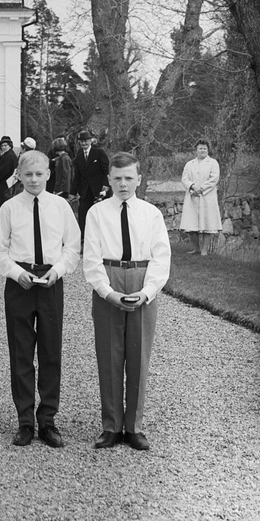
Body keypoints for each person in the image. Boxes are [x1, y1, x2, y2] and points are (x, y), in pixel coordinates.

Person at [83, 152, 171, 450]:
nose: (123, 184)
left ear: (139, 180)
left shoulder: (151, 214)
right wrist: (108, 292)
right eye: (117, 178)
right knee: (109, 355)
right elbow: (91, 259)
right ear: (109, 179)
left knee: (138, 355)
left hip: (141, 278)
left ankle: (133, 427)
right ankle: (111, 426)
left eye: (129, 178)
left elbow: (161, 258)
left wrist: (147, 292)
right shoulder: (97, 213)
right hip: (109, 281)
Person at [0, 149, 80, 448]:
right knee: (20, 353)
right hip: (20, 281)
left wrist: (58, 271)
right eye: (27, 174)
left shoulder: (60, 207)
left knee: (50, 351)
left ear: (48, 174)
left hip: (50, 282)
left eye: (39, 174)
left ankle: (48, 420)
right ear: (19, 175)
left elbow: (72, 246)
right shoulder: (8, 208)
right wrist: (14, 272)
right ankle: (25, 421)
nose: (33, 179)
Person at [179, 139, 221, 256]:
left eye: (204, 148)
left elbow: (214, 179)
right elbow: (184, 179)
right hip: (192, 196)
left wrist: (201, 189)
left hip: (207, 196)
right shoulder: (189, 164)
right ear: (196, 150)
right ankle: (196, 248)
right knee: (191, 224)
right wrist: (192, 187)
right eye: (200, 148)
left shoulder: (213, 163)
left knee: (207, 223)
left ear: (208, 150)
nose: (202, 150)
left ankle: (204, 250)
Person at [72, 130, 110, 239]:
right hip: (85, 191)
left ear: (91, 140)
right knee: (82, 213)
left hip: (99, 190)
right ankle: (83, 238)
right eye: (81, 141)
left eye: (86, 141)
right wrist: (73, 192)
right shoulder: (79, 156)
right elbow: (77, 175)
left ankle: (103, 239)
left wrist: (106, 185)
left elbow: (106, 170)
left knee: (100, 216)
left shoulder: (99, 153)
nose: (84, 143)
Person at [0, 135, 18, 212]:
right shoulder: (10, 155)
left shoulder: (8, 156)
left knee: (1, 205)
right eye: (2, 146)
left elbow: (3, 171)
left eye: (5, 145)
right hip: (8, 183)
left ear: (10, 146)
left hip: (4, 184)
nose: (3, 147)